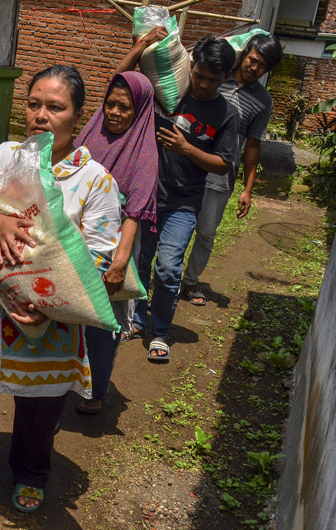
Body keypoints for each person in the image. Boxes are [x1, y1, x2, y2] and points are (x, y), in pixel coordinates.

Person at [0, 65, 121, 530]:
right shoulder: (3, 157)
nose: (40, 115)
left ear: (77, 115)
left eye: (54, 107)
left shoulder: (95, 181)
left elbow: (100, 258)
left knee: (39, 414)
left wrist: (44, 303)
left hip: (48, 327)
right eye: (34, 103)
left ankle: (32, 471)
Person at [117, 34, 240, 362]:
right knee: (141, 264)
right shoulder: (167, 92)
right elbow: (119, 80)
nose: (202, 84)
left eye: (212, 80)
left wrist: (186, 147)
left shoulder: (226, 114)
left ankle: (159, 332)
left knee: (169, 269)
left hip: (184, 202)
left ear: (227, 77)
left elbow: (223, 163)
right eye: (198, 75)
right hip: (146, 196)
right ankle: (138, 322)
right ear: (191, 65)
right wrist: (141, 45)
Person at [73, 71, 159, 414]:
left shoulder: (145, 153)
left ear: (139, 112)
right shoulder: (92, 134)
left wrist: (120, 261)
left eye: (124, 107)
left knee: (102, 318)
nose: (114, 113)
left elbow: (134, 214)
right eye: (109, 104)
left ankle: (96, 388)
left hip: (115, 243)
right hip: (76, 236)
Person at [181, 34, 282, 305]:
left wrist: (248, 189)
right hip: (185, 165)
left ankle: (190, 281)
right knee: (176, 223)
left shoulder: (263, 101)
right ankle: (165, 275)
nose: (254, 68)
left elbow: (252, 146)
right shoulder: (215, 76)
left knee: (205, 231)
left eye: (262, 67)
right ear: (245, 53)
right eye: (252, 60)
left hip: (219, 176)